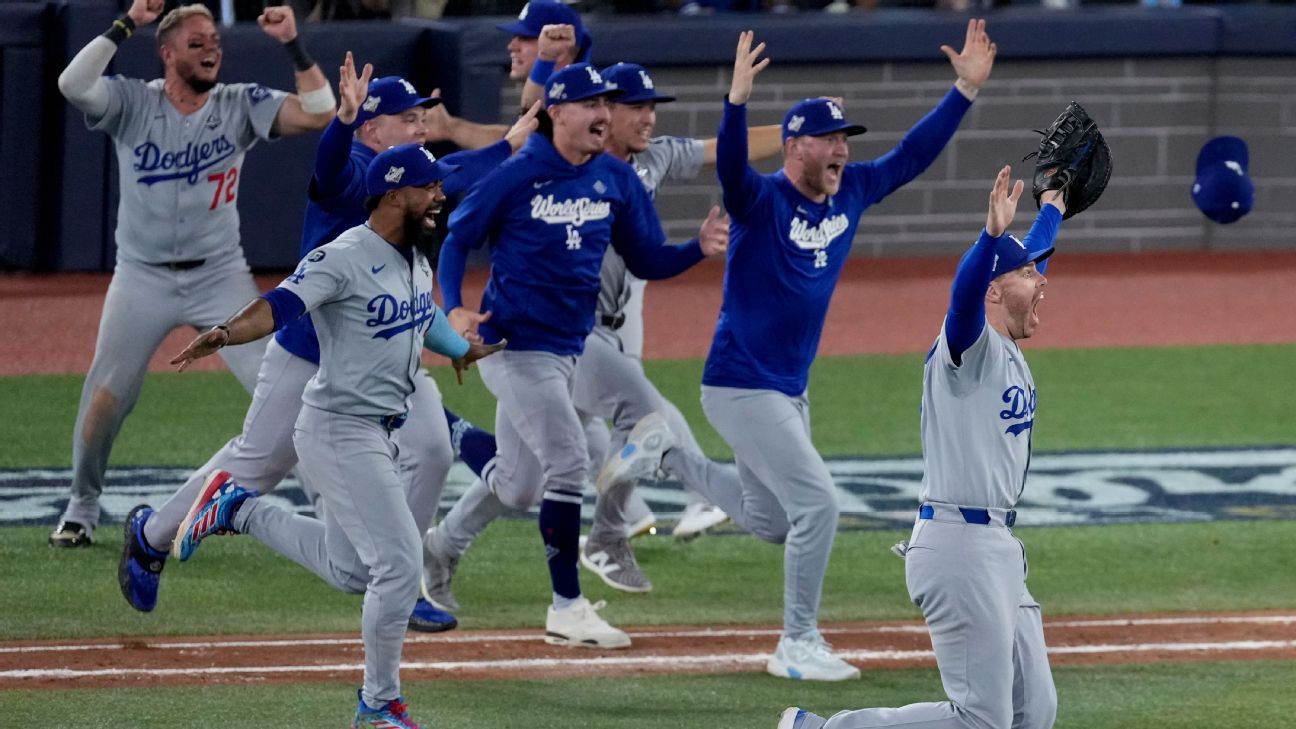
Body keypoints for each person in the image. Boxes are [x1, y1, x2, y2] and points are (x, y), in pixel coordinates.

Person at [608, 23, 997, 680]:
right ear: (794, 147)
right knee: (818, 503)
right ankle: (797, 641)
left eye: (845, 138)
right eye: (829, 138)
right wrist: (736, 103)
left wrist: (964, 90)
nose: (842, 148)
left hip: (789, 387)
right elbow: (732, 170)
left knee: (771, 521)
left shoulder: (853, 191)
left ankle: (665, 455)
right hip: (740, 383)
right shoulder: (761, 201)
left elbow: (912, 155)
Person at [116, 53, 535, 631]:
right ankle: (151, 535)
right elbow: (331, 166)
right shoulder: (357, 175)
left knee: (433, 451)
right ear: (372, 129)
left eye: (421, 118)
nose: (420, 128)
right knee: (255, 466)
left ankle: (399, 576)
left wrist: (508, 146)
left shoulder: (413, 182)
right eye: (407, 119)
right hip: (311, 357)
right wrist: (340, 121)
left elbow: (456, 174)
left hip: (385, 355)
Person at [168, 144, 504, 729]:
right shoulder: (342, 255)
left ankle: (237, 508)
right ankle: (377, 705)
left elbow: (423, 314)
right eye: (430, 187)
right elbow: (279, 305)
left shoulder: (413, 255)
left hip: (377, 432)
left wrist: (460, 348)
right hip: (338, 430)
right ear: (394, 194)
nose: (441, 196)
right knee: (399, 566)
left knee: (352, 572)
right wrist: (224, 332)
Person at [436, 62, 727, 648]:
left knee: (525, 483)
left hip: (576, 344)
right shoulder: (516, 175)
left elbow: (646, 259)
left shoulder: (615, 179)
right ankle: (567, 606)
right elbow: (458, 237)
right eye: (590, 103)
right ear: (557, 113)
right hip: (514, 346)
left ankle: (439, 543)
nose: (601, 113)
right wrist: (456, 307)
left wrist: (696, 248)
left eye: (603, 103)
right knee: (568, 461)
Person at [777, 169, 1064, 729]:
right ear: (994, 290)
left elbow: (1019, 268)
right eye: (1030, 273)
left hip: (997, 549)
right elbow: (968, 293)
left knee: (1034, 712)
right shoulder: (968, 350)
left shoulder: (1006, 341)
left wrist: (1053, 206)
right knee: (981, 720)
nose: (1042, 281)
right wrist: (989, 237)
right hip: (960, 548)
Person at [50, 0, 335, 548]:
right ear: (167, 53)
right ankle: (81, 506)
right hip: (141, 278)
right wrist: (126, 23)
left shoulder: (238, 103)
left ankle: (327, 505)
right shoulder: (134, 100)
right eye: (197, 42)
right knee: (106, 397)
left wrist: (292, 44)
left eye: (215, 42)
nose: (210, 50)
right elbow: (72, 83)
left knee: (281, 390)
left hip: (220, 275)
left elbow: (321, 113)